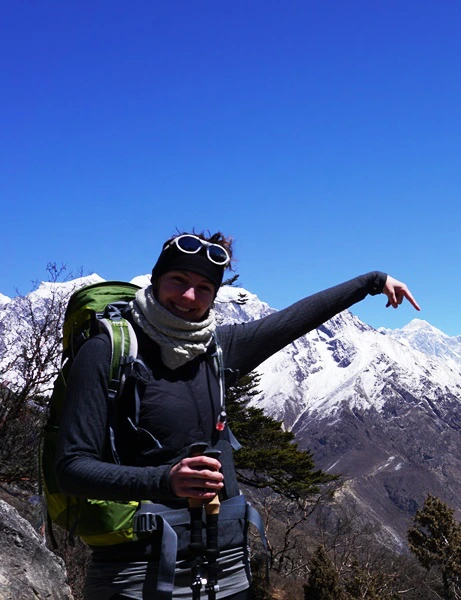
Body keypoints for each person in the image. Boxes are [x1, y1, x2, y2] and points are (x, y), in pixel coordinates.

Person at [56, 231, 420, 600]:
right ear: (156, 279)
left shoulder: (216, 349)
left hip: (228, 570)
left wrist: (372, 282)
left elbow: (295, 320)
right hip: (137, 573)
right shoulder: (107, 351)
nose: (189, 296)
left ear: (215, 295)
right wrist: (164, 480)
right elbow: (70, 468)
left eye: (204, 287)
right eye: (178, 280)